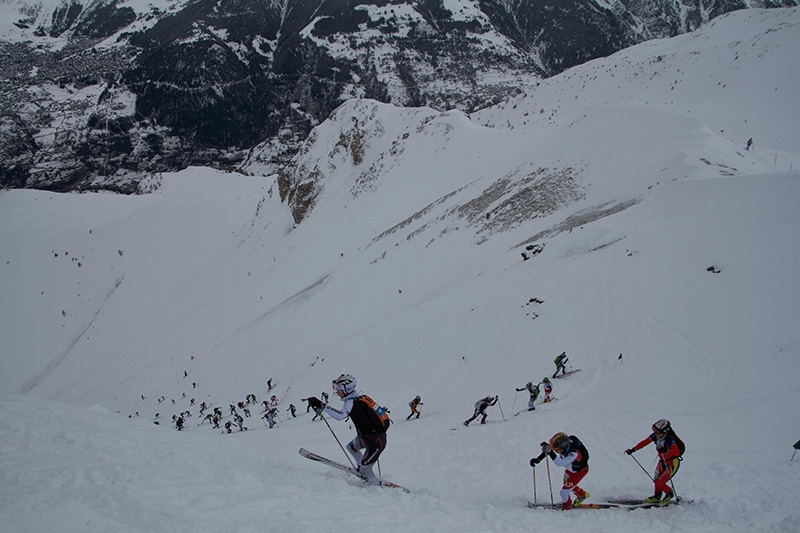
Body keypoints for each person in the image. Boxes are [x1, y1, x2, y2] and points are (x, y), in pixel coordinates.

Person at [307, 374, 388, 485]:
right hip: (368, 437)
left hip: (376, 441)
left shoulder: (351, 403)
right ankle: (363, 471)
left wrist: (322, 405)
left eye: (338, 389)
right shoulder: (359, 398)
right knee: (351, 447)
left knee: (365, 465)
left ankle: (372, 483)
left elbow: (340, 416)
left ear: (346, 389)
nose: (336, 392)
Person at [625, 419, 683, 505]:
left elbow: (677, 452)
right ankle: (657, 496)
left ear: (665, 431)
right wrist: (633, 450)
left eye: (658, 432)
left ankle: (670, 493)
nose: (655, 433)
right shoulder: (656, 436)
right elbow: (644, 442)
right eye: (654, 431)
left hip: (671, 464)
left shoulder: (670, 440)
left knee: (660, 482)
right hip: (662, 462)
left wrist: (666, 449)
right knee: (656, 480)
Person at [530, 432, 590, 510]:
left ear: (562, 447)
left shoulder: (573, 454)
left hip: (579, 472)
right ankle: (582, 495)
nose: (555, 451)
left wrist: (550, 452)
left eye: (556, 449)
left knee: (563, 492)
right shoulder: (564, 448)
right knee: (567, 485)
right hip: (570, 470)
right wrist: (538, 459)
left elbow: (560, 463)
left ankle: (567, 505)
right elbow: (550, 451)